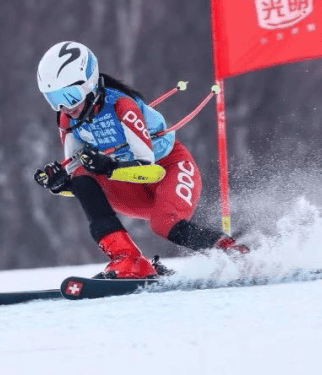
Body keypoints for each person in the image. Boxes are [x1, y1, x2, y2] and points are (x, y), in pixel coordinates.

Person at [33, 40, 248, 279]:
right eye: (54, 99)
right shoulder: (67, 120)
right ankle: (129, 259)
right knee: (81, 178)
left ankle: (231, 251)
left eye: (70, 96)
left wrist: (109, 167)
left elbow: (151, 171)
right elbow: (80, 177)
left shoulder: (122, 106)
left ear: (89, 83)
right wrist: (62, 184)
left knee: (163, 224)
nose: (65, 107)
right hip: (130, 188)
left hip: (170, 170)